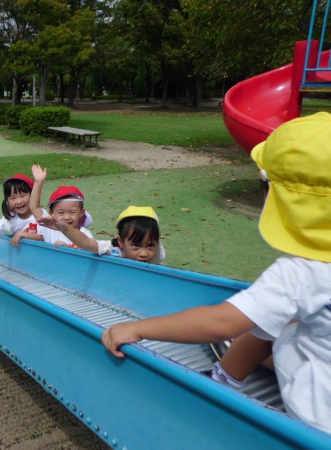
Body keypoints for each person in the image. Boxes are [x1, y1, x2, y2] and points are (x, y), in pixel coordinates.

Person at [101, 112, 331, 434]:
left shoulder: (301, 272)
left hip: (318, 421)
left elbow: (219, 322)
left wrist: (138, 328)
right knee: (279, 319)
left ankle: (221, 383)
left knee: (266, 321)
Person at [38, 205, 165, 263]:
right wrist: (64, 228)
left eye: (150, 246)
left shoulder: (158, 254)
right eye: (136, 246)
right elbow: (87, 242)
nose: (144, 254)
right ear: (121, 241)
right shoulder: (113, 249)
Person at [30, 164, 93, 247]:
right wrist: (38, 182)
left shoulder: (85, 235)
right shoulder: (49, 228)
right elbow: (34, 208)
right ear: (51, 213)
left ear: (81, 212)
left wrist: (68, 249)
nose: (66, 217)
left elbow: (89, 255)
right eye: (60, 213)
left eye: (72, 212)